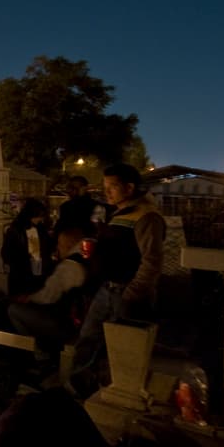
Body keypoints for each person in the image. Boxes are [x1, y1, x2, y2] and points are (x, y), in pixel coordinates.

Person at [69, 163, 166, 397]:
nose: (107, 192)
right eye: (105, 187)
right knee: (88, 339)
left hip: (126, 292)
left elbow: (152, 261)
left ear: (130, 187)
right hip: (107, 289)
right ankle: (78, 391)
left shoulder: (147, 216)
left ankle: (116, 398)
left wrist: (132, 293)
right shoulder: (121, 213)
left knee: (122, 348)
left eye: (113, 187)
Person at [7, 226, 91, 354]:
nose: (57, 248)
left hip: (67, 325)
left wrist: (28, 298)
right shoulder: (86, 258)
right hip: (80, 320)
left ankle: (39, 353)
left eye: (59, 244)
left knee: (14, 310)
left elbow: (47, 297)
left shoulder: (69, 267)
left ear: (68, 244)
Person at [0, 198, 53, 298]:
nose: (40, 219)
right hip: (22, 272)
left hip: (39, 270)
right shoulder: (16, 230)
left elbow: (47, 246)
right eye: (39, 216)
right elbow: (7, 251)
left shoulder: (41, 229)